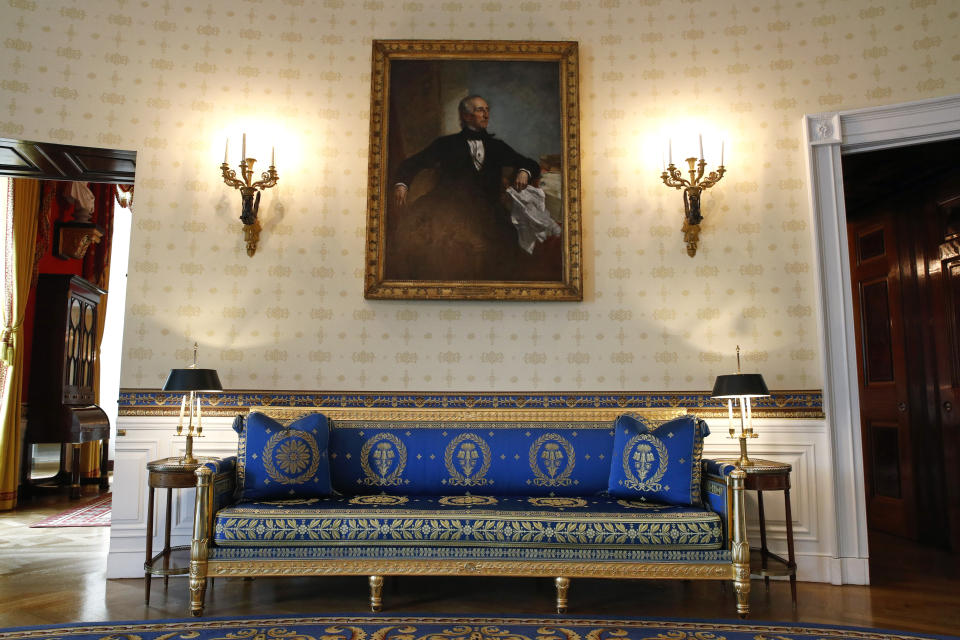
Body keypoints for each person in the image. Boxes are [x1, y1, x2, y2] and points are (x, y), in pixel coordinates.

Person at [386, 95, 558, 282]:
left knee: (504, 242)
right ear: (466, 116)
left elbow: (528, 163)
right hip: (445, 205)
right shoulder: (446, 144)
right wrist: (402, 184)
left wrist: (524, 171)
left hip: (485, 208)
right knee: (431, 242)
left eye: (487, 110)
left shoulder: (497, 146)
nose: (486, 114)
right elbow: (412, 163)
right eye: (480, 110)